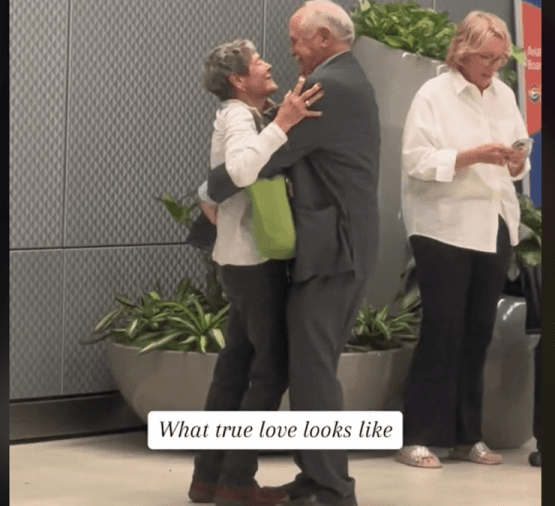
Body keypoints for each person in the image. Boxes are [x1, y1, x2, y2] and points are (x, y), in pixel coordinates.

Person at [203, 2, 380, 505]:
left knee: (311, 368)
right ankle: (300, 478)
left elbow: (263, 161)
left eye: (296, 42)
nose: (290, 54)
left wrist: (206, 190)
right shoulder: (340, 77)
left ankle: (329, 487)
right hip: (330, 246)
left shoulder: (328, 86)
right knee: (297, 366)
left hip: (334, 249)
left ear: (323, 38)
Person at [188, 39, 325, 506]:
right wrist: (283, 121)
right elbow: (243, 169)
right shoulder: (237, 115)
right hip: (253, 259)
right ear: (237, 80)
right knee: (271, 369)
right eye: (257, 62)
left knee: (234, 368)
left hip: (241, 258)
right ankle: (236, 481)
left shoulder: (245, 113)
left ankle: (209, 477)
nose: (268, 64)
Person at [396, 10, 532, 469]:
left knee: (477, 334)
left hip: (494, 223)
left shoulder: (505, 95)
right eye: (486, 58)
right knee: (443, 331)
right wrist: (472, 156)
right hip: (444, 228)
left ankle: (465, 435)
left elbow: (519, 157)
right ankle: (417, 435)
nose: (494, 67)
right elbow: (417, 159)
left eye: (499, 59)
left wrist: (516, 163)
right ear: (463, 51)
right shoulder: (433, 94)